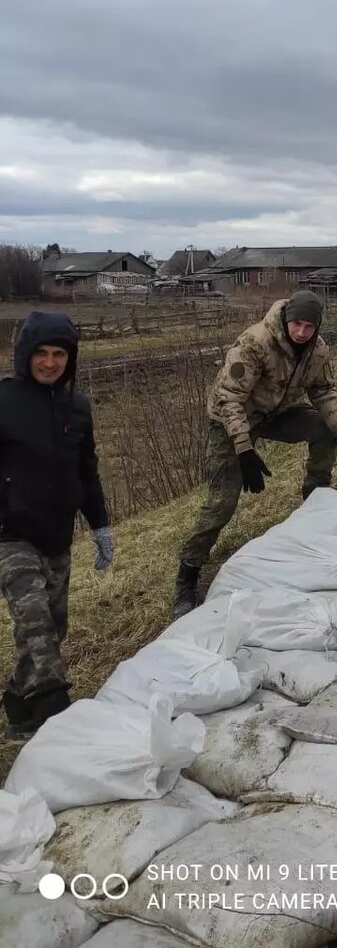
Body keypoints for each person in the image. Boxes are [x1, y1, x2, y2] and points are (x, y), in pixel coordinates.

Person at [172, 290, 337, 618]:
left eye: (309, 326)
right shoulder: (254, 343)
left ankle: (315, 502)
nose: (301, 332)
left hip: (276, 414)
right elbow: (228, 398)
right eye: (297, 324)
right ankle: (187, 574)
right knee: (221, 503)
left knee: (323, 428)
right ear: (286, 320)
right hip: (231, 419)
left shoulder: (317, 351)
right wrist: (244, 450)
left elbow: (323, 391)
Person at [0, 312, 114, 739]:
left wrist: (99, 525)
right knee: (37, 626)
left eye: (59, 354)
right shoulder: (4, 401)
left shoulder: (77, 407)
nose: (50, 362)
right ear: (25, 355)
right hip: (10, 534)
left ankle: (17, 704)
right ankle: (55, 716)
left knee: (53, 624)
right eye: (41, 354)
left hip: (57, 534)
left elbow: (87, 472)